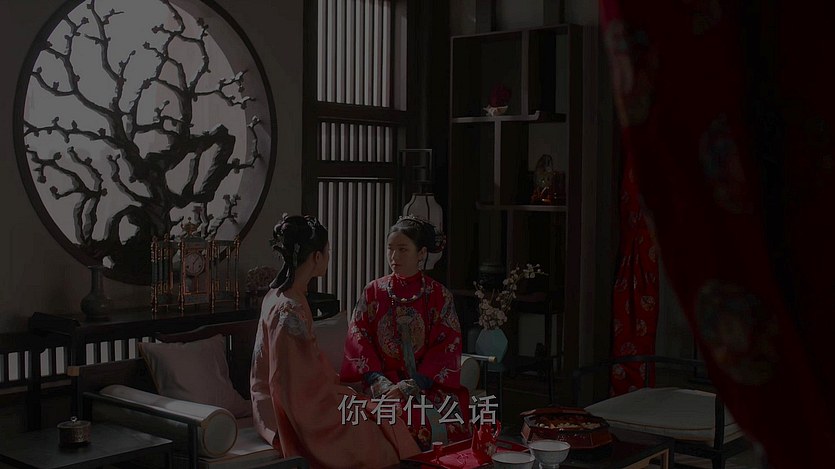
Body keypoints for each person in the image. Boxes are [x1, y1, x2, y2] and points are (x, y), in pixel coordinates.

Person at [250, 214, 420, 469]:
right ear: (317, 257)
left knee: (378, 413)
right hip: (300, 410)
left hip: (284, 400)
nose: (329, 257)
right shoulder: (289, 308)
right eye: (327, 252)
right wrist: (340, 392)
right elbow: (295, 383)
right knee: (372, 433)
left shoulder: (279, 295)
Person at [340, 215, 470, 451]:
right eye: (390, 249)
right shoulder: (373, 291)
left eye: (402, 249)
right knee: (385, 415)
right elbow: (358, 337)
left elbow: (447, 345)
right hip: (382, 382)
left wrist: (414, 384)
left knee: (435, 419)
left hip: (428, 384)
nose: (394, 256)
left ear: (421, 253)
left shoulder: (439, 295)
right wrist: (378, 380)